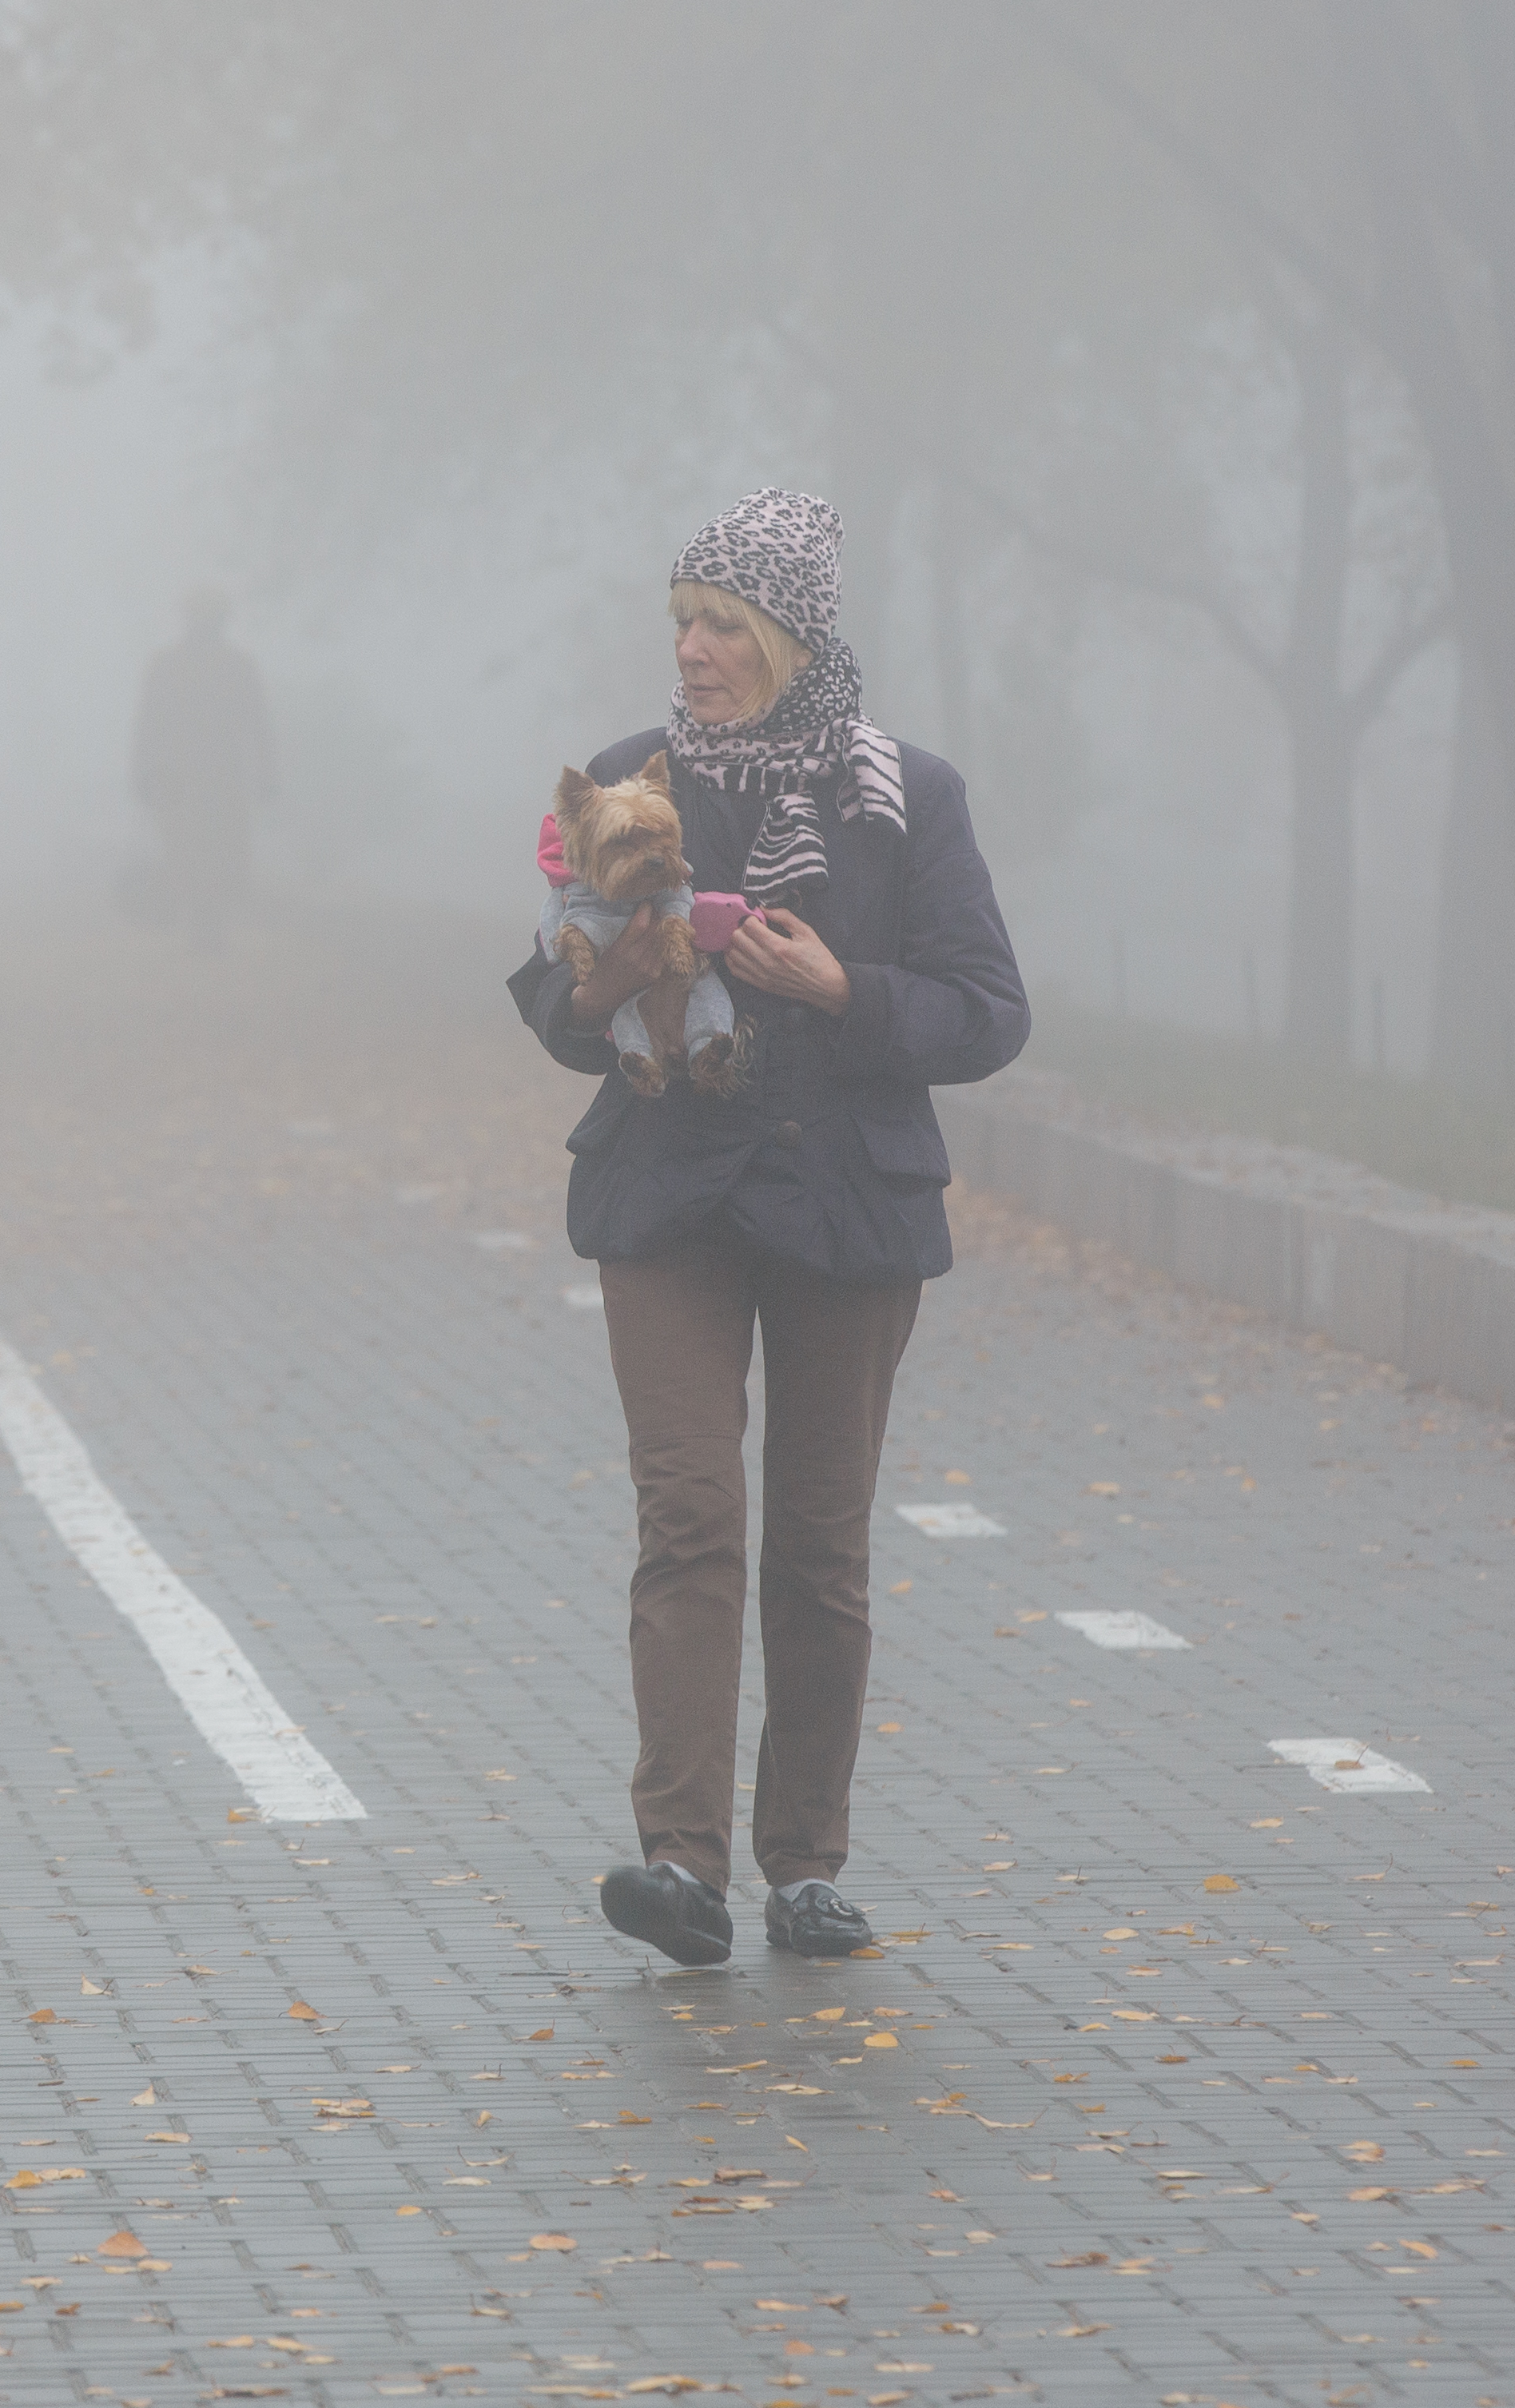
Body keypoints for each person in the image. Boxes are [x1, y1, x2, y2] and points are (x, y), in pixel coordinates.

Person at [505, 488, 1028, 1966]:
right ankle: (680, 1865)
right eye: (679, 623)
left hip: (845, 1199)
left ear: (786, 638)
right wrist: (602, 986)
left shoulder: (905, 794)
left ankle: (804, 1863)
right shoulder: (617, 779)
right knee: (688, 1520)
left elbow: (990, 1012)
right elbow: (552, 1001)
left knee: (816, 1545)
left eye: (719, 626)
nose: (690, 650)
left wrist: (837, 990)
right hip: (667, 1193)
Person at [130, 587, 277, 947]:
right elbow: (149, 724)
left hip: (209, 774)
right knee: (191, 847)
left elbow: (258, 724)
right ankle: (200, 918)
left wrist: (266, 770)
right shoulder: (227, 666)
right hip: (191, 775)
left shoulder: (217, 667)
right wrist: (144, 771)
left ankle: (205, 918)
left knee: (215, 847)